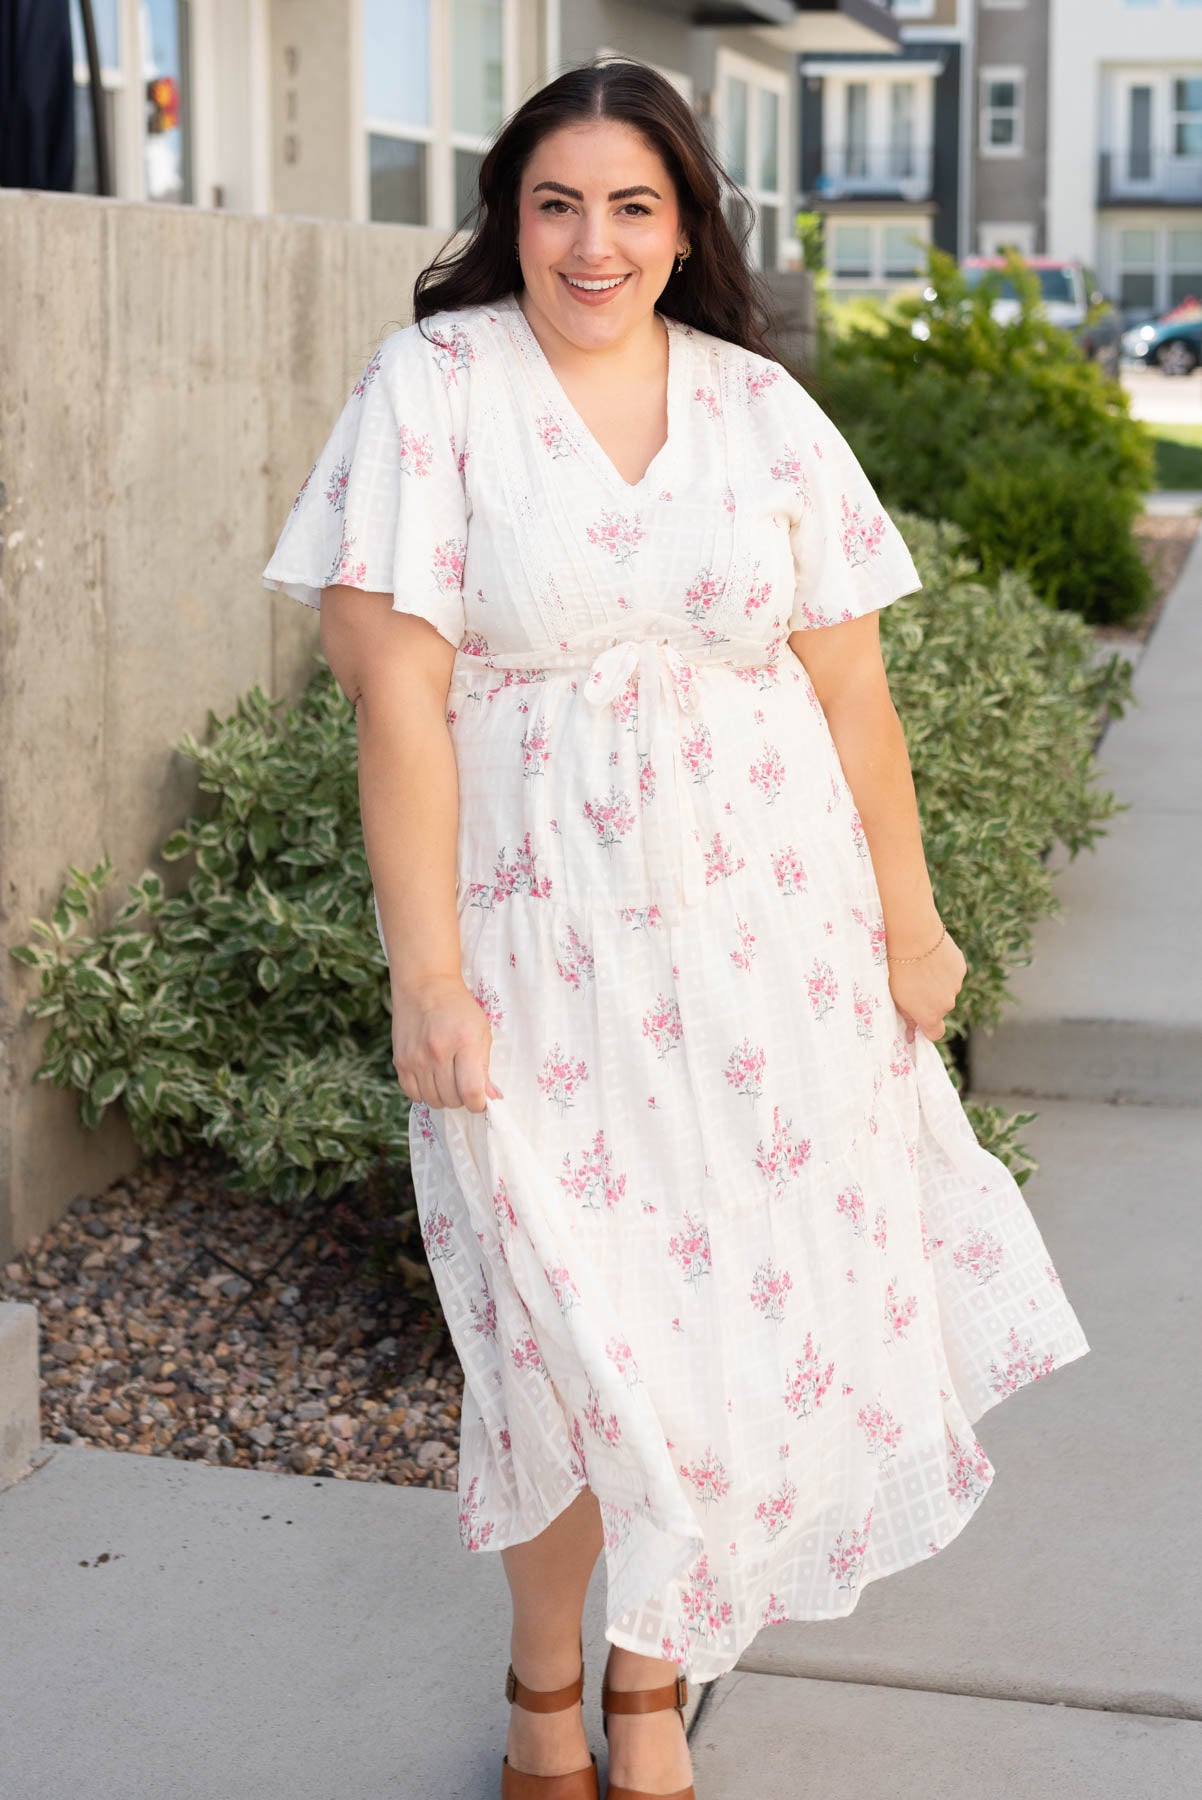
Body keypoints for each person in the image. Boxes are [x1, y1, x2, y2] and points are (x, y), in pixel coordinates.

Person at [262, 57, 1090, 1800]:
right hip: (536, 944)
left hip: (767, 940)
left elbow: (852, 694)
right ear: (508, 216)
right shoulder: (434, 386)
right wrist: (427, 977)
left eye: (634, 204)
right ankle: (541, 1678)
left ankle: (650, 1691)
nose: (592, 242)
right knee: (559, 1328)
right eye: (555, 202)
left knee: (727, 1323)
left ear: (687, 222)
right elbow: (394, 704)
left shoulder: (758, 409)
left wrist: (910, 923)